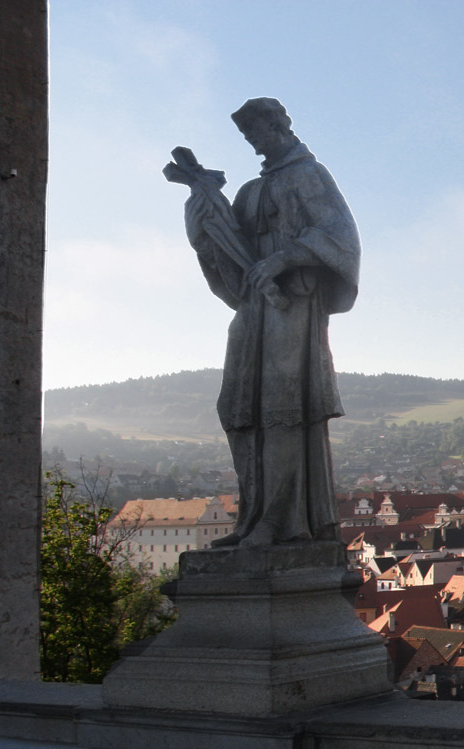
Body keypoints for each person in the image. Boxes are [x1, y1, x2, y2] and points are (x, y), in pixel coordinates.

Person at [179, 97, 359, 547]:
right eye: (247, 136)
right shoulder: (249, 192)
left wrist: (285, 257)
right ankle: (251, 518)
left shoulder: (309, 175)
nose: (254, 142)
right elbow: (232, 267)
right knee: (240, 410)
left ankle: (281, 521)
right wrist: (203, 231)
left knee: (283, 408)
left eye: (257, 132)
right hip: (253, 309)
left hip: (291, 306)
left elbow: (341, 236)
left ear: (280, 125)